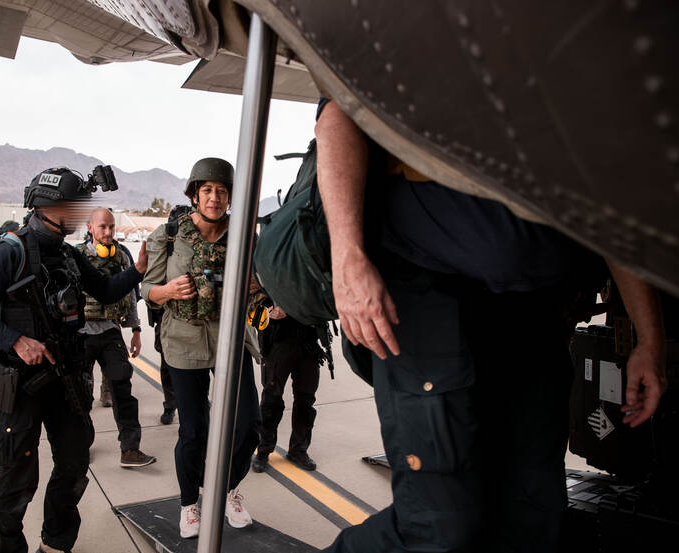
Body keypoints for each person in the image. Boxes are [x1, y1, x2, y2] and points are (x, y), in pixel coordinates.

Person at [314, 99, 667, 552]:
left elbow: (614, 205)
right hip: (427, 300)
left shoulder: (575, 60)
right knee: (439, 527)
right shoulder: (415, 30)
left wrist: (649, 340)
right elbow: (340, 113)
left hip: (536, 315)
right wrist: (347, 258)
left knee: (533, 517)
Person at [0, 166, 147, 553]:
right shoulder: (8, 253)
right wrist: (15, 340)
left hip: (65, 378)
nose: (80, 214)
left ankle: (56, 544)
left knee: (73, 465)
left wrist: (137, 270)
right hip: (21, 384)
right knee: (18, 477)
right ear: (47, 207)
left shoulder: (67, 255)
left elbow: (103, 289)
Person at [142, 157, 261, 539]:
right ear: (195, 194)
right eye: (207, 190)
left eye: (221, 191)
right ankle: (189, 503)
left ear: (230, 197)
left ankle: (226, 490)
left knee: (247, 427)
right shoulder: (169, 233)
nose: (214, 197)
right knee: (194, 430)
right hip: (183, 342)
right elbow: (146, 289)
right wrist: (166, 290)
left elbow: (257, 282)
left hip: (230, 341)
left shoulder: (243, 235)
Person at [78, 207, 156, 468]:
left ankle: (130, 449)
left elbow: (131, 296)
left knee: (122, 389)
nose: (108, 232)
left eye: (111, 226)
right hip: (81, 335)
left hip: (111, 332)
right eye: (102, 227)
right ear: (90, 227)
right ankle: (79, 446)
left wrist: (135, 330)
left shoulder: (123, 256)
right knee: (80, 394)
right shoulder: (77, 257)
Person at [251, 308, 324, 473]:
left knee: (306, 399)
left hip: (309, 340)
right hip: (278, 338)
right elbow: (252, 294)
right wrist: (267, 310)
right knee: (271, 399)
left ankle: (298, 450)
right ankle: (263, 450)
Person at [147, 304, 178, 425]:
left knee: (200, 365)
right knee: (167, 366)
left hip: (195, 316)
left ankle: (201, 402)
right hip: (165, 314)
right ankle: (170, 405)